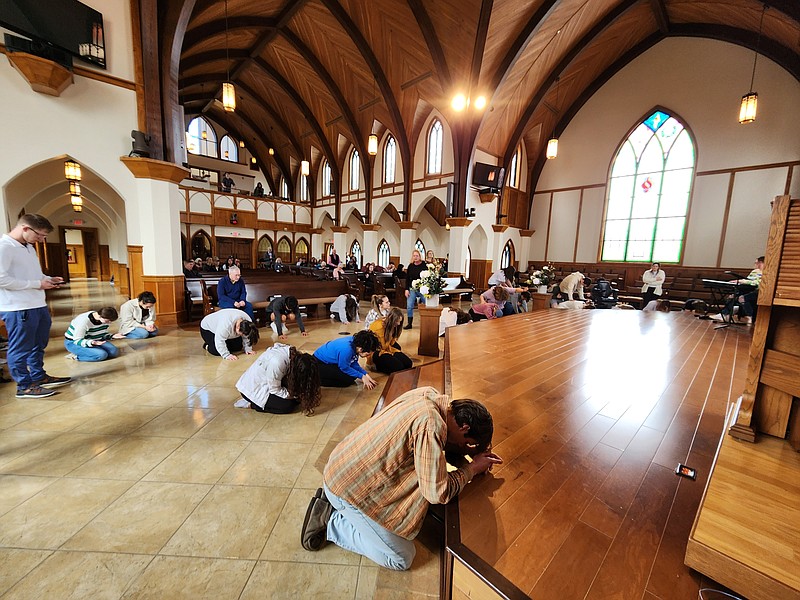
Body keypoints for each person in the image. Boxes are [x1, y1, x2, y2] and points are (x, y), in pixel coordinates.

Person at [300, 386, 502, 570]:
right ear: (465, 427)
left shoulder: (428, 395)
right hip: (347, 489)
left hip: (341, 466)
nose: (465, 448)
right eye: (469, 443)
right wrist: (472, 468)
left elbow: (446, 445)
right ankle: (332, 521)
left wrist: (470, 456)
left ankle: (335, 506)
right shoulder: (431, 425)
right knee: (402, 558)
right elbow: (436, 493)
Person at [0, 213, 71, 398]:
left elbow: (32, 274)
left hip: (37, 303)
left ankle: (39, 377)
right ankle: (24, 386)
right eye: (39, 235)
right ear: (25, 228)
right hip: (18, 307)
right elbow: (1, 279)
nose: (41, 239)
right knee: (20, 348)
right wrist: (37, 284)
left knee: (38, 344)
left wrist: (47, 279)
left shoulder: (28, 247)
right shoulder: (4, 247)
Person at [235, 343, 321, 415]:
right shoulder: (277, 363)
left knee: (297, 397)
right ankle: (252, 404)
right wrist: (291, 395)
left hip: (269, 380)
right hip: (252, 389)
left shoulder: (292, 355)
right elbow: (274, 390)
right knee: (287, 406)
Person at [313, 330, 379, 389]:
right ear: (361, 349)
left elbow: (353, 363)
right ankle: (317, 381)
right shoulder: (347, 349)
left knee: (352, 375)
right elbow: (344, 367)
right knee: (347, 380)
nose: (367, 356)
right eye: (367, 354)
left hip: (329, 362)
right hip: (318, 363)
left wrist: (365, 374)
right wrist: (362, 377)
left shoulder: (356, 343)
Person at [710, 256, 764, 324]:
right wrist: (740, 281)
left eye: (758, 263)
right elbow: (748, 281)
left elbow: (756, 283)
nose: (756, 264)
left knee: (742, 298)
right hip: (749, 290)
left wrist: (742, 281)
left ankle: (749, 316)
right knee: (732, 296)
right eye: (756, 263)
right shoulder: (755, 271)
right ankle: (724, 315)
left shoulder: (766, 273)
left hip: (758, 292)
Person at [369, 307, 412, 374]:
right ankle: (377, 367)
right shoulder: (379, 327)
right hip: (377, 352)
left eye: (400, 321)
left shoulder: (393, 326)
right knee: (399, 368)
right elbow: (382, 347)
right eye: (397, 321)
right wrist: (392, 354)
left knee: (408, 364)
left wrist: (394, 353)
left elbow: (392, 343)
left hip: (387, 348)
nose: (398, 324)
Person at [404, 250, 426, 329]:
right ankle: (409, 323)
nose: (415, 257)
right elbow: (407, 279)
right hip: (412, 288)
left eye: (417, 256)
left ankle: (427, 322)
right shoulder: (410, 266)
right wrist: (406, 289)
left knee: (427, 304)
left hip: (422, 289)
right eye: (414, 256)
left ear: (420, 256)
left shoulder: (424, 265)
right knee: (409, 305)